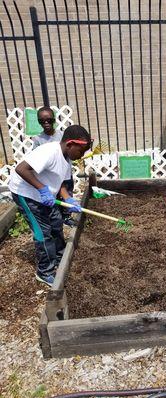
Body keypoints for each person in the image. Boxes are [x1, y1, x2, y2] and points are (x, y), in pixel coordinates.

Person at [9, 125, 92, 286]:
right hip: (26, 194)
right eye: (81, 151)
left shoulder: (67, 160)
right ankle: (44, 271)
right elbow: (21, 169)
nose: (81, 155)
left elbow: (60, 182)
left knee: (56, 222)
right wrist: (42, 189)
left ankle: (61, 257)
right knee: (43, 232)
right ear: (70, 144)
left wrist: (68, 199)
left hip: (45, 196)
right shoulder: (49, 152)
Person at [33, 106, 75, 227]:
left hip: (65, 172)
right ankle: (57, 219)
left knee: (67, 193)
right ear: (38, 121)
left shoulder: (63, 135)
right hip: (50, 175)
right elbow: (36, 158)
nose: (46, 123)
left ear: (54, 120)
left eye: (49, 120)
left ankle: (67, 217)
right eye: (42, 121)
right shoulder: (38, 139)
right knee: (54, 197)